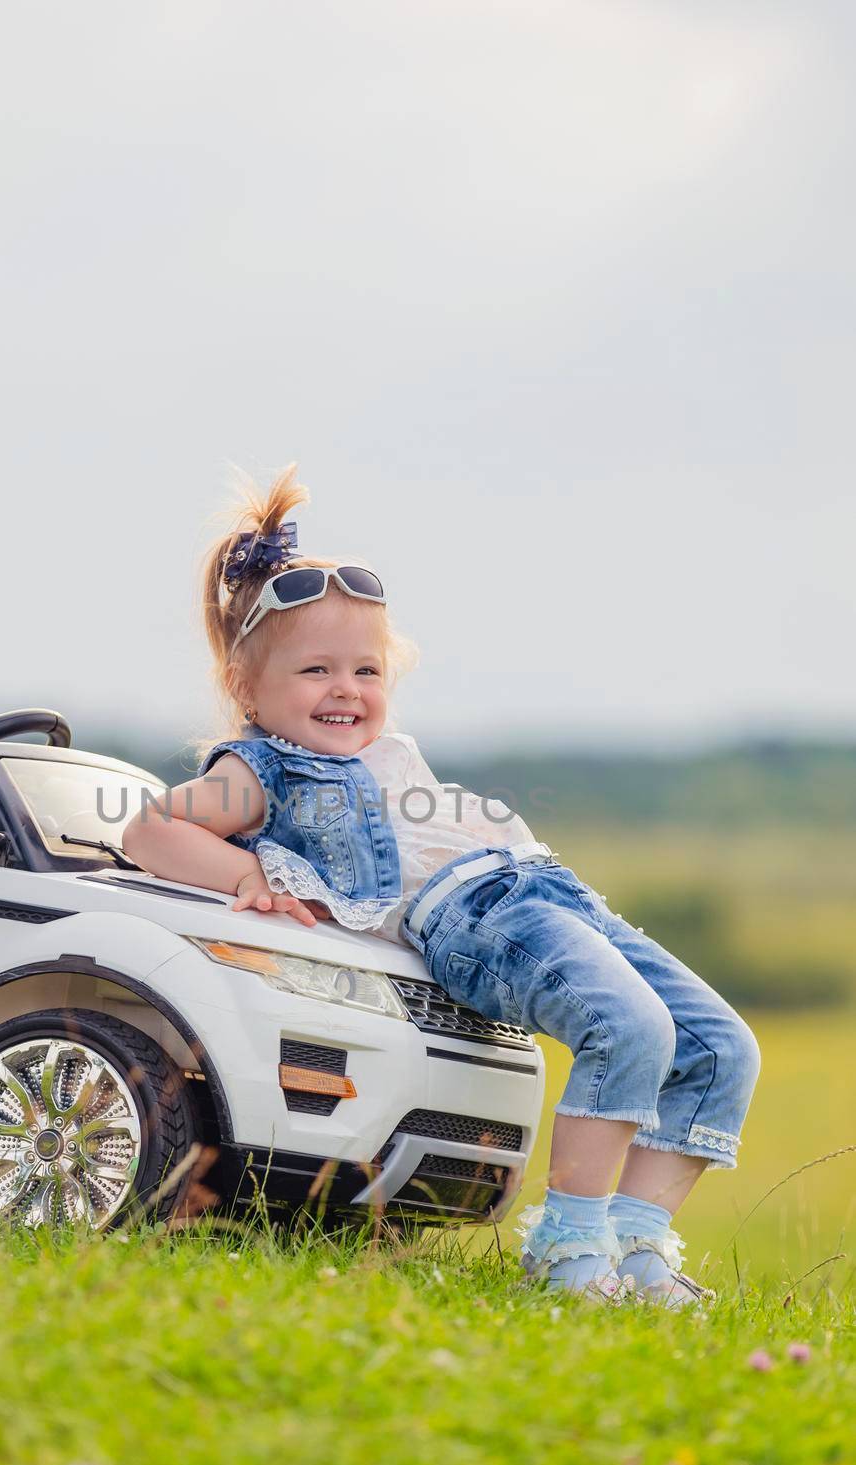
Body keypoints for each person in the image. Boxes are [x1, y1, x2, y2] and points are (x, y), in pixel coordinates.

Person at [122, 464, 761, 1307]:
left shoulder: (388, 755)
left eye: (366, 670)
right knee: (628, 1027)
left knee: (720, 1047)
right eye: (315, 671)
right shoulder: (261, 767)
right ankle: (569, 1249)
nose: (346, 689)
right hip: (472, 917)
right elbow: (147, 829)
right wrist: (246, 869)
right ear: (248, 687)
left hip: (544, 891)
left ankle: (635, 1246)